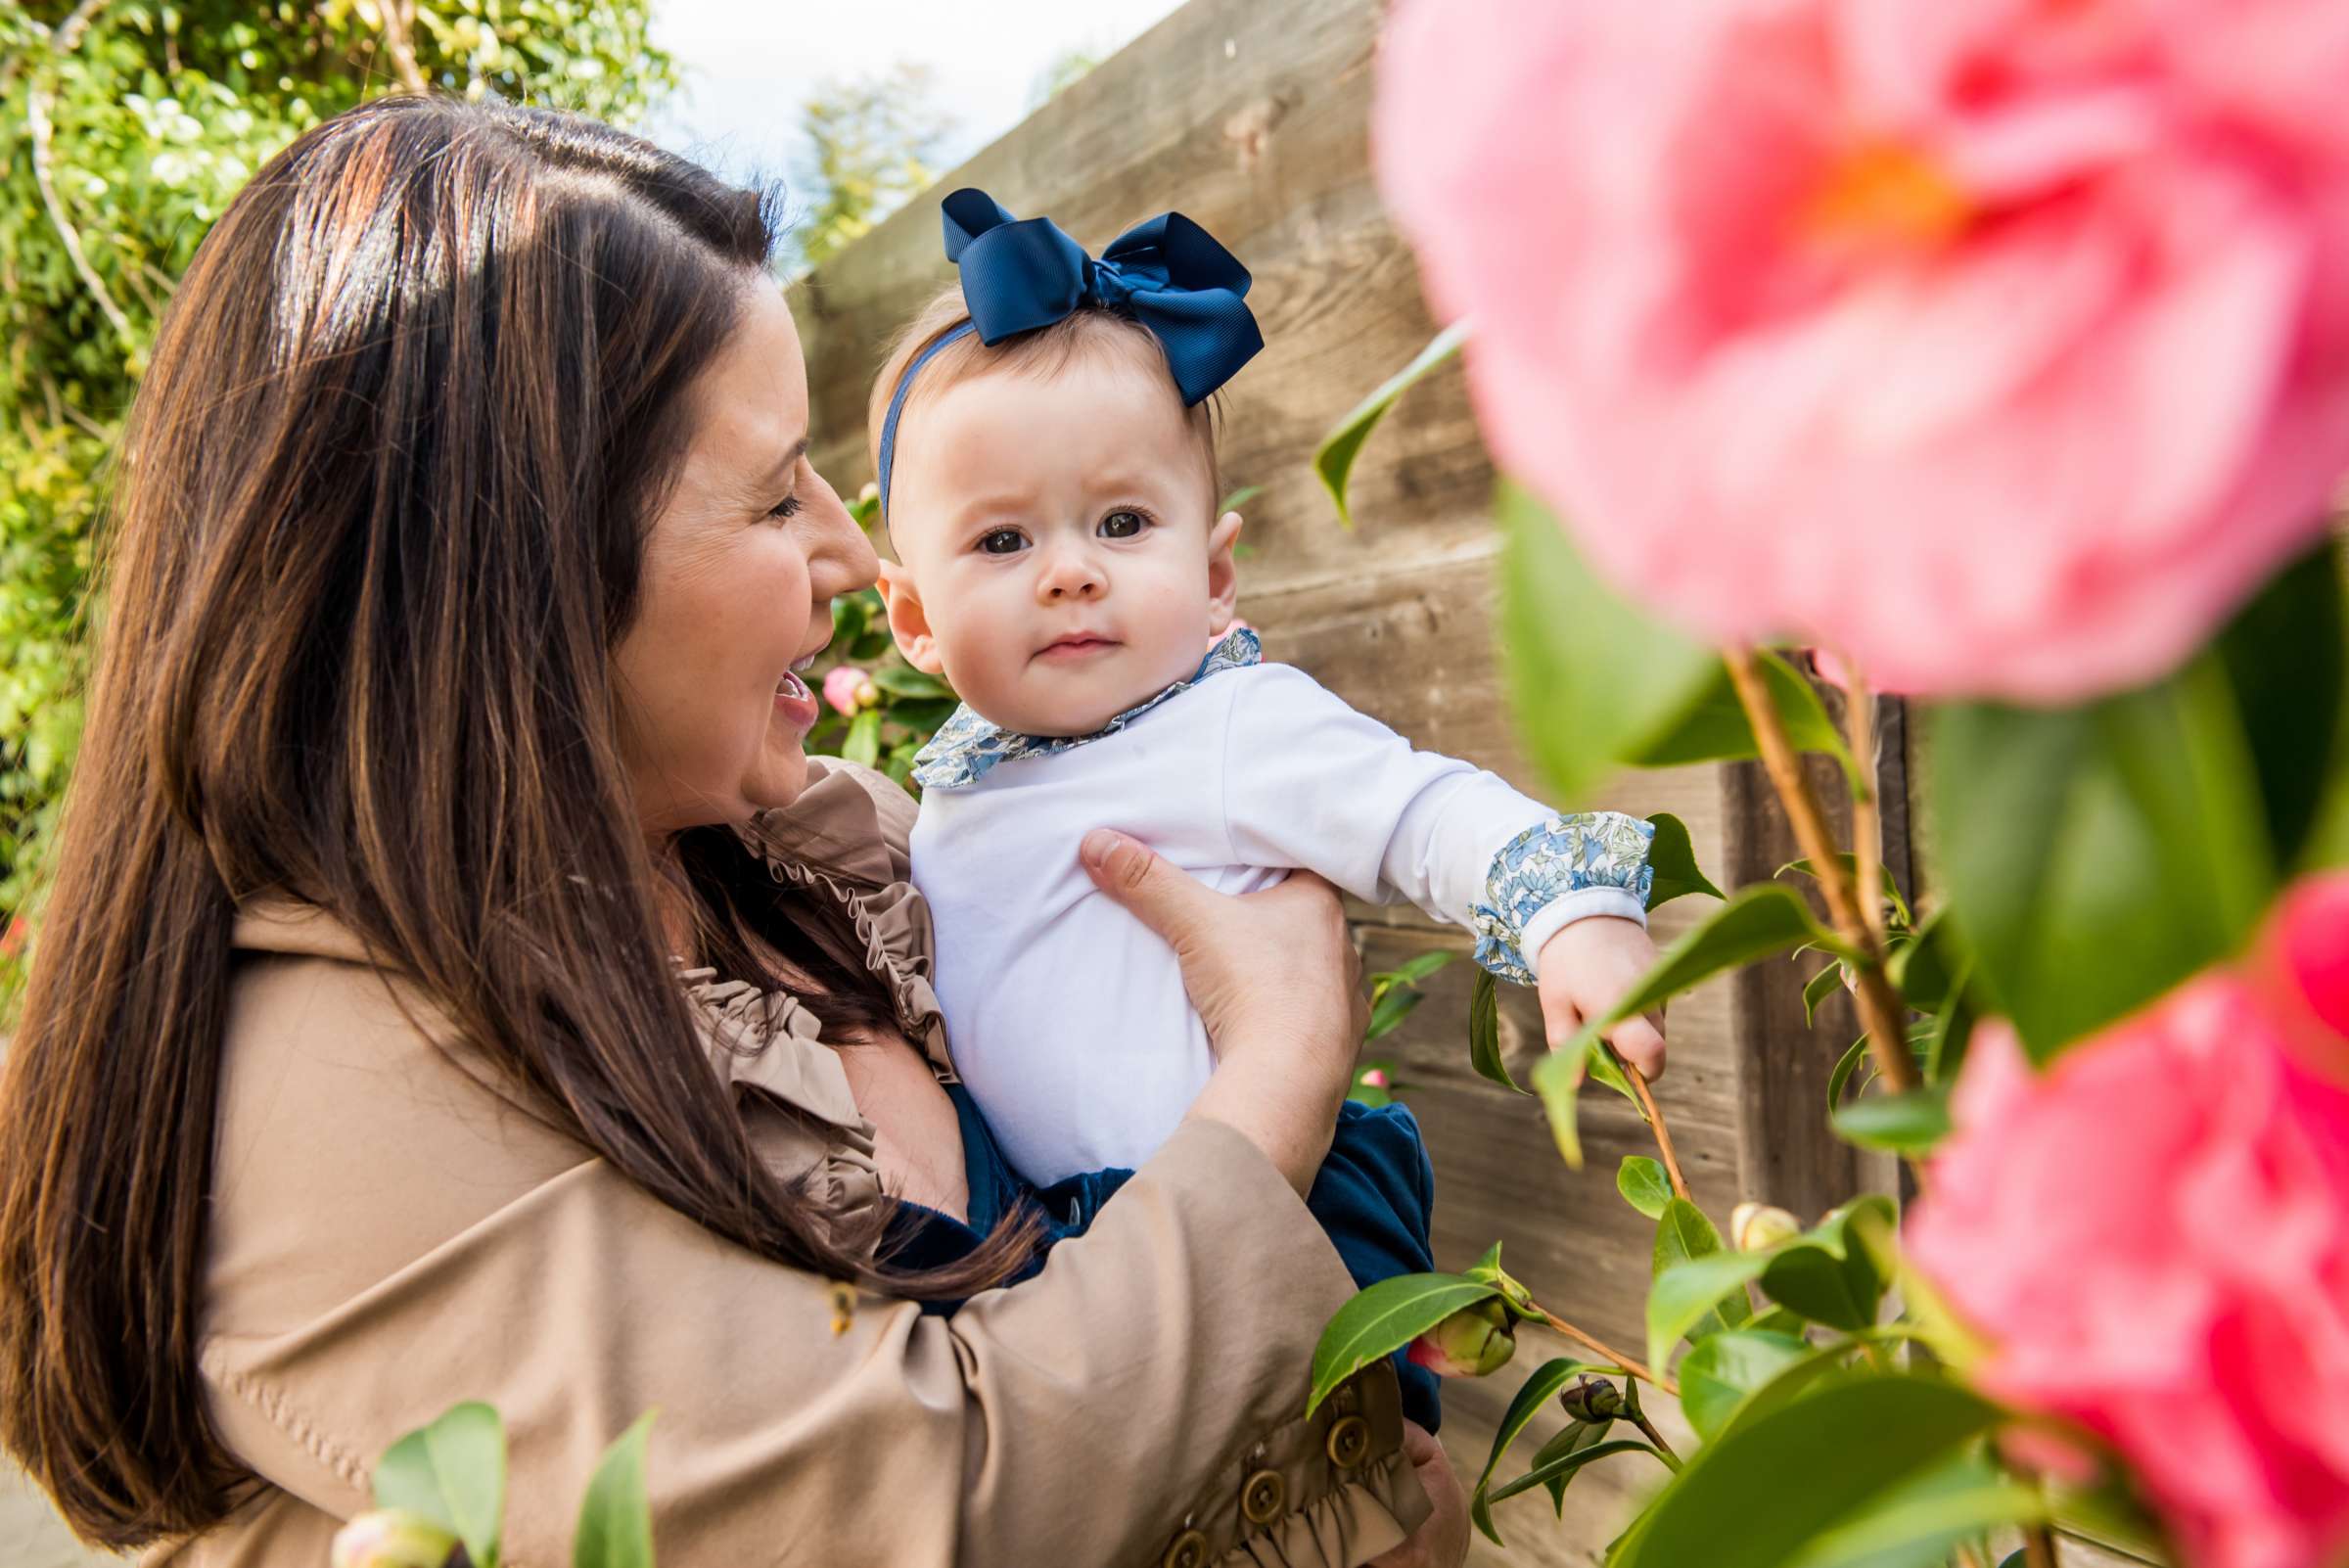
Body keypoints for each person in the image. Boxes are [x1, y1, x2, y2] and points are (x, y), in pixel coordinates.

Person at [0, 97, 1467, 1567]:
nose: (850, 549)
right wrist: (1276, 1073)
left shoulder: (844, 850)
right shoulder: (320, 1102)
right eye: (776, 496)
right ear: (520, 571)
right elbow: (918, 1505)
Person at [863, 190, 1671, 1432]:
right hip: (1074, 1239)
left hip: (1276, 1218)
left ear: (1216, 569)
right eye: (1003, 539)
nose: (1072, 567)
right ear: (913, 621)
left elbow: (1417, 808)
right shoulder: (960, 783)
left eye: (1123, 523)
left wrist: (1569, 911)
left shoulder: (1226, 724)